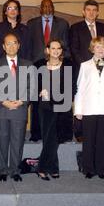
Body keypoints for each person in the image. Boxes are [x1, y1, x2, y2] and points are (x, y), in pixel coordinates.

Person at [74, 36, 104, 179]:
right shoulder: (85, 65)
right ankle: (88, 169)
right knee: (89, 141)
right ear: (92, 49)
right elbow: (80, 89)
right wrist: (78, 110)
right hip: (89, 109)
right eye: (97, 47)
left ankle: (101, 170)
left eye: (103, 46)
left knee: (103, 141)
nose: (100, 49)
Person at [27, 0, 70, 142]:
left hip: (57, 64)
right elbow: (29, 47)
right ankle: (37, 133)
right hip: (37, 67)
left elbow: (66, 47)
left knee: (58, 100)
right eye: (44, 6)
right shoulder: (31, 24)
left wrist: (64, 62)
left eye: (49, 5)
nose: (47, 8)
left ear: (53, 7)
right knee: (39, 102)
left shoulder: (63, 24)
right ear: (40, 8)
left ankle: (60, 134)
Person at [0, 33, 34, 182]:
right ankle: (2, 170)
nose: (11, 46)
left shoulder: (28, 64)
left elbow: (32, 88)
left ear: (19, 45)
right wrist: (3, 101)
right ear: (3, 47)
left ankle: (15, 170)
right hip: (1, 109)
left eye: (14, 43)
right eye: (8, 43)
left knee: (17, 142)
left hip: (20, 109)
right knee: (1, 141)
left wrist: (22, 101)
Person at [34, 39, 73, 180]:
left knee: (55, 137)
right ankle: (53, 167)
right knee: (48, 137)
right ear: (47, 50)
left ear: (61, 51)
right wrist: (39, 91)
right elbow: (34, 85)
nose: (56, 51)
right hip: (45, 107)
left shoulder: (68, 65)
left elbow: (71, 87)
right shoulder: (39, 65)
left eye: (58, 48)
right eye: (53, 48)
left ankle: (43, 168)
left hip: (62, 106)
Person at [69, 0, 104, 67]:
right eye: (88, 10)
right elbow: (74, 50)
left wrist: (100, 65)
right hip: (83, 67)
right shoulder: (75, 28)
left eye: (94, 10)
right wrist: (86, 66)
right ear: (83, 12)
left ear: (97, 13)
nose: (91, 13)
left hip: (102, 67)